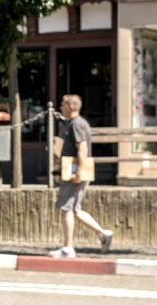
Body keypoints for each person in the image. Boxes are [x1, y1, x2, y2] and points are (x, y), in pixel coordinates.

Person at [49, 95, 113, 258]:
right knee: (74, 209)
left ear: (71, 106)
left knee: (66, 209)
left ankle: (68, 248)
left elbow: (82, 148)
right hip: (77, 169)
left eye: (63, 104)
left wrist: (78, 171)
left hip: (74, 169)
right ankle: (103, 234)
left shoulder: (76, 124)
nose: (61, 107)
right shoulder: (75, 123)